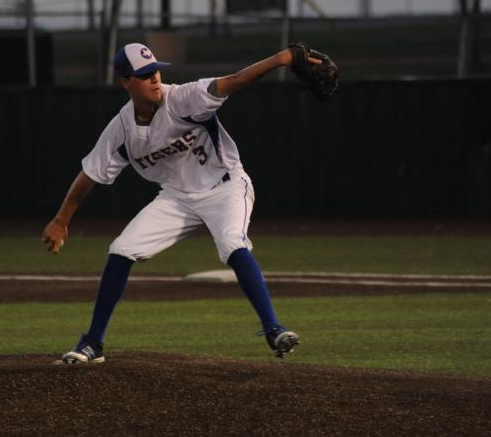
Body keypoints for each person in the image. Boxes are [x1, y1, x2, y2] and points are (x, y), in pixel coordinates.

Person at [42, 42, 318, 363]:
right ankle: (93, 343)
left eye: (155, 70)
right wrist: (61, 220)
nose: (155, 78)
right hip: (177, 198)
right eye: (145, 74)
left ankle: (273, 329)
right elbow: (89, 174)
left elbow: (237, 80)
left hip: (225, 187)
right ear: (125, 82)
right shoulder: (121, 129)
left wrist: (283, 59)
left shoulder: (185, 98)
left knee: (232, 243)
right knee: (121, 250)